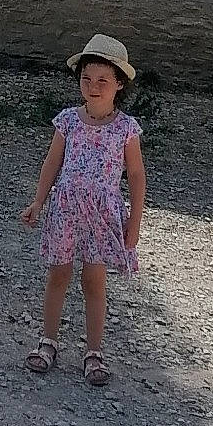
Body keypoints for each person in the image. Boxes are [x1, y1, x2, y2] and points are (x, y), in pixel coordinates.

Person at [20, 33, 147, 388]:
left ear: (119, 84)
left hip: (102, 216)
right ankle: (48, 342)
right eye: (86, 79)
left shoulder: (126, 129)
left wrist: (134, 224)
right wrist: (38, 201)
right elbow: (51, 163)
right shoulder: (68, 121)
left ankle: (94, 352)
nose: (93, 86)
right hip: (65, 211)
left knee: (94, 281)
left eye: (103, 80)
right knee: (58, 275)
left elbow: (136, 176)